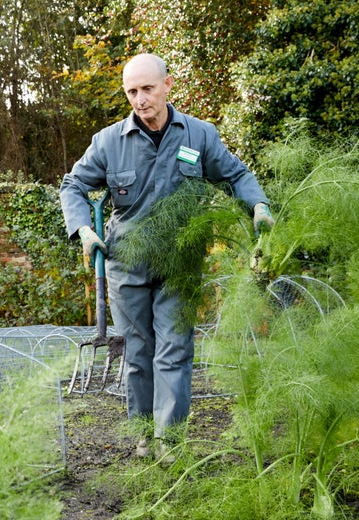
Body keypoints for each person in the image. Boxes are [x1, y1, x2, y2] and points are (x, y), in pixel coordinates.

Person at [59, 53, 274, 459]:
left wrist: (258, 205)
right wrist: (84, 229)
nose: (140, 100)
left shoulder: (199, 136)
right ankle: (144, 433)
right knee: (137, 354)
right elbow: (72, 185)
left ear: (168, 85)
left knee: (175, 349)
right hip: (128, 263)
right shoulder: (108, 142)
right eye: (132, 92)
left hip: (181, 264)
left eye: (147, 89)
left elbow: (236, 175)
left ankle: (168, 440)